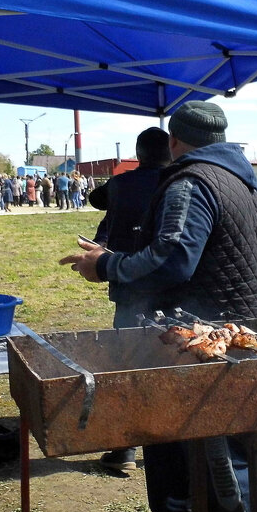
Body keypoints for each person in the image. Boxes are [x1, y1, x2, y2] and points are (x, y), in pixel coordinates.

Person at [61, 101, 257, 512]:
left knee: (219, 456)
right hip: (190, 336)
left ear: (175, 140)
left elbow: (174, 259)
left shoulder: (192, 182)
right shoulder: (240, 180)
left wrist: (106, 266)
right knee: (166, 444)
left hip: (210, 341)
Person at [88, 126, 171, 472]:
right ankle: (167, 439)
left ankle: (125, 449)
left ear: (139, 154)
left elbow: (95, 199)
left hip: (130, 289)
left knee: (128, 365)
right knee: (170, 364)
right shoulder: (179, 182)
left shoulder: (122, 184)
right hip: (173, 288)